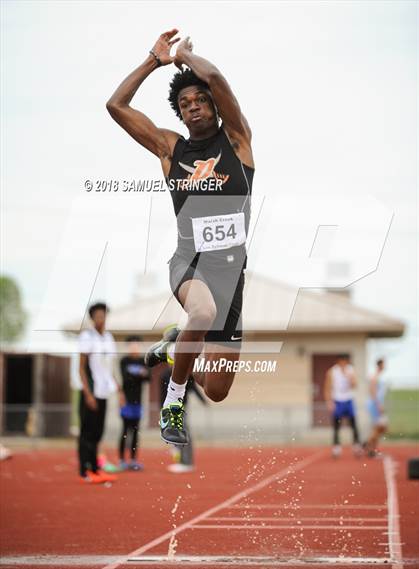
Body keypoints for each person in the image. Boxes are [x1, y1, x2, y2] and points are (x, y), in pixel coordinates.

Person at [107, 29, 254, 446]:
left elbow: (221, 82)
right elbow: (116, 106)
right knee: (203, 314)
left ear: (214, 105)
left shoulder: (237, 144)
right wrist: (153, 61)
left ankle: (178, 344)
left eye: (200, 100)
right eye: (185, 104)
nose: (193, 108)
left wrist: (186, 56)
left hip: (231, 278)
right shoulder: (172, 150)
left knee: (216, 389)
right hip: (189, 265)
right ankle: (173, 401)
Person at [78, 302, 122, 483]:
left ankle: (96, 468)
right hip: (91, 393)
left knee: (98, 433)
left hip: (104, 392)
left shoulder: (109, 338)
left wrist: (119, 390)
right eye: (97, 315)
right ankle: (85, 470)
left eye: (103, 315)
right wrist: (88, 394)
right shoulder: (87, 337)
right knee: (87, 433)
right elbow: (81, 368)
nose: (101, 318)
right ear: (92, 318)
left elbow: (109, 367)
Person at [160, 362, 208, 473]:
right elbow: (162, 394)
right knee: (176, 434)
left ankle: (187, 462)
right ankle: (182, 460)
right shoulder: (165, 374)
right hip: (169, 408)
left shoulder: (186, 374)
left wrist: (203, 401)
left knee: (183, 432)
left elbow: (193, 389)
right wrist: (162, 410)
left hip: (181, 408)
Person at [119, 335, 150, 470]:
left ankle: (133, 460)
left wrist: (139, 375)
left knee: (136, 432)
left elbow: (148, 377)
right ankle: (121, 460)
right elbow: (126, 379)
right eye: (132, 345)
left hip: (138, 402)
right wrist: (139, 374)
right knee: (125, 431)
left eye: (137, 345)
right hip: (126, 402)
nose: (135, 347)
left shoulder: (143, 361)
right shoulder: (124, 361)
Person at [324, 355, 362, 458]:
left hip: (349, 399)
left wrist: (349, 377)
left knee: (353, 424)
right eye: (342, 362)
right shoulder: (332, 371)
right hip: (337, 400)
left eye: (346, 362)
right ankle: (336, 448)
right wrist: (329, 402)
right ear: (339, 361)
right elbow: (327, 387)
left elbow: (355, 385)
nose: (344, 364)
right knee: (337, 425)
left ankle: (356, 446)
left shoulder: (351, 370)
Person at [364, 358, 388, 458]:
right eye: (384, 364)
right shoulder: (375, 376)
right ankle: (367, 445)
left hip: (376, 405)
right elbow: (372, 391)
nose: (385, 366)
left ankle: (371, 449)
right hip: (375, 405)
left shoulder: (379, 376)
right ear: (380, 365)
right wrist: (378, 405)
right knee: (379, 428)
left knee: (380, 428)